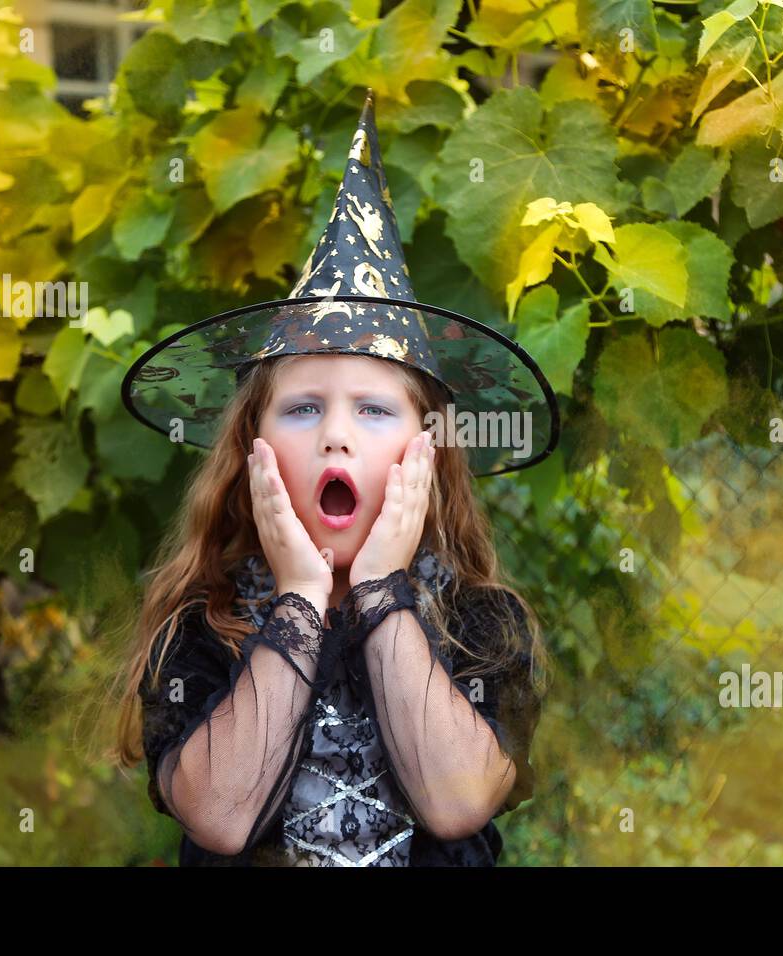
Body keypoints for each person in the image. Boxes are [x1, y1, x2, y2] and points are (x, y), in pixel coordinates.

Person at [112, 88, 561, 866]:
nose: (336, 437)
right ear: (253, 450)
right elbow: (218, 818)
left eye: (376, 412)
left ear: (427, 453)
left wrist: (385, 589)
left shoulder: (482, 622)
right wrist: (298, 603)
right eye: (303, 408)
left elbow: (458, 803)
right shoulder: (198, 625)